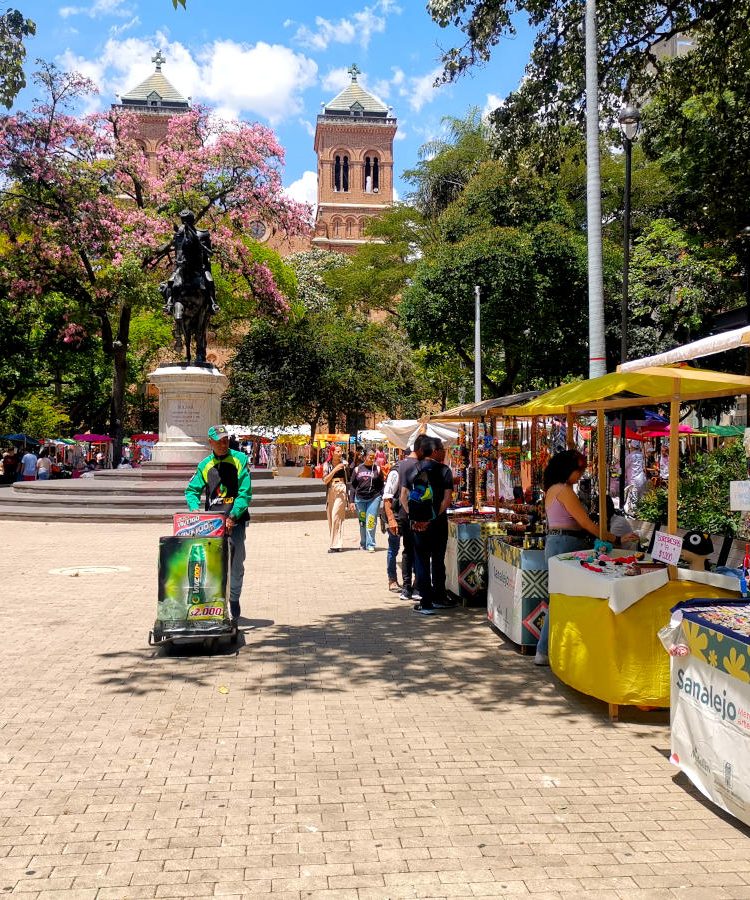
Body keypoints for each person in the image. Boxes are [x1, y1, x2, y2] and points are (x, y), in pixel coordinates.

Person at [534, 449, 615, 666]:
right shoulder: (563, 490)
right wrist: (612, 537)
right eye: (579, 471)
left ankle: (550, 649)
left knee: (560, 597)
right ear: (568, 470)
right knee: (561, 597)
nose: (580, 475)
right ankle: (543, 650)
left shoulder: (553, 489)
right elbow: (586, 523)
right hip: (566, 543)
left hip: (558, 542)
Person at [185, 424, 252, 622]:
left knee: (236, 563)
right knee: (212, 564)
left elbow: (245, 492)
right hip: (212, 523)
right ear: (210, 442)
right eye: (219, 441)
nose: (223, 444)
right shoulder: (205, 465)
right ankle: (213, 603)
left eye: (226, 440)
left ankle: (233, 599)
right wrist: (194, 510)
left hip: (235, 521)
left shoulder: (239, 459)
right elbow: (191, 490)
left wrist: (233, 516)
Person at [400, 436, 454, 615]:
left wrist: (416, 518)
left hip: (418, 526)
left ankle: (426, 602)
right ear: (434, 450)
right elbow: (447, 500)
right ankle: (439, 596)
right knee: (438, 561)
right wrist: (432, 517)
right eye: (442, 449)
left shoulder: (412, 470)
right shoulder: (445, 471)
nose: (444, 452)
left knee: (421, 561)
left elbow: (403, 498)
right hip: (438, 524)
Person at [382, 446, 417, 594]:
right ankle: (392, 579)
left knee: (411, 549)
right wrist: (391, 520)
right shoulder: (396, 471)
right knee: (393, 549)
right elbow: (387, 497)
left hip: (409, 515)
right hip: (396, 516)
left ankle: (413, 582)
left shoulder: (415, 470)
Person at [349, 448, 385, 552]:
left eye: (374, 457)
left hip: (374, 498)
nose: (372, 458)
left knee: (371, 521)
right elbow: (353, 486)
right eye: (370, 456)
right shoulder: (357, 469)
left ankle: (370, 544)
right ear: (364, 456)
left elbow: (381, 485)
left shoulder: (377, 469)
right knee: (362, 522)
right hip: (359, 499)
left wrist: (383, 497)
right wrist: (351, 501)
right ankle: (363, 542)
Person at [323, 445, 348, 553]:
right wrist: (334, 470)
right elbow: (325, 480)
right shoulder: (326, 465)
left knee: (336, 515)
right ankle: (335, 542)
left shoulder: (344, 464)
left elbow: (348, 479)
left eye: (341, 451)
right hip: (331, 490)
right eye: (337, 451)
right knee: (331, 518)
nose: (340, 453)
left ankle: (335, 545)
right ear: (332, 452)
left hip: (341, 489)